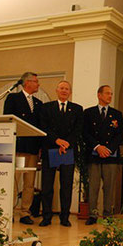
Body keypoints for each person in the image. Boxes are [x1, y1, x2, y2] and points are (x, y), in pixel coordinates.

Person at [38, 80, 83, 227]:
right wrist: (57, 141)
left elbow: (78, 130)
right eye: (61, 88)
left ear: (70, 92)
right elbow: (43, 127)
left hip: (67, 151)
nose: (64, 91)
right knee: (47, 186)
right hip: (50, 149)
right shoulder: (46, 108)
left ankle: (65, 217)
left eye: (67, 89)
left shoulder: (77, 109)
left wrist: (66, 143)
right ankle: (46, 217)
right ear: (56, 90)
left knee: (66, 185)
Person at [3, 72, 42, 225]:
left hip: (32, 149)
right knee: (14, 180)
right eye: (36, 82)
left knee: (29, 183)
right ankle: (9, 211)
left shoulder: (38, 103)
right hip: (18, 147)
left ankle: (25, 212)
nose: (38, 85)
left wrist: (39, 148)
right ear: (27, 83)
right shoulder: (13, 98)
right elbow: (8, 119)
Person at [83, 85, 123, 225]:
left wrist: (109, 149)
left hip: (110, 156)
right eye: (107, 93)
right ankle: (92, 215)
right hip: (94, 155)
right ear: (99, 95)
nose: (110, 96)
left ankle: (108, 214)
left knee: (109, 187)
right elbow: (85, 133)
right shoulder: (88, 113)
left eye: (111, 94)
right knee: (93, 186)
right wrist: (98, 147)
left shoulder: (117, 114)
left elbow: (119, 135)